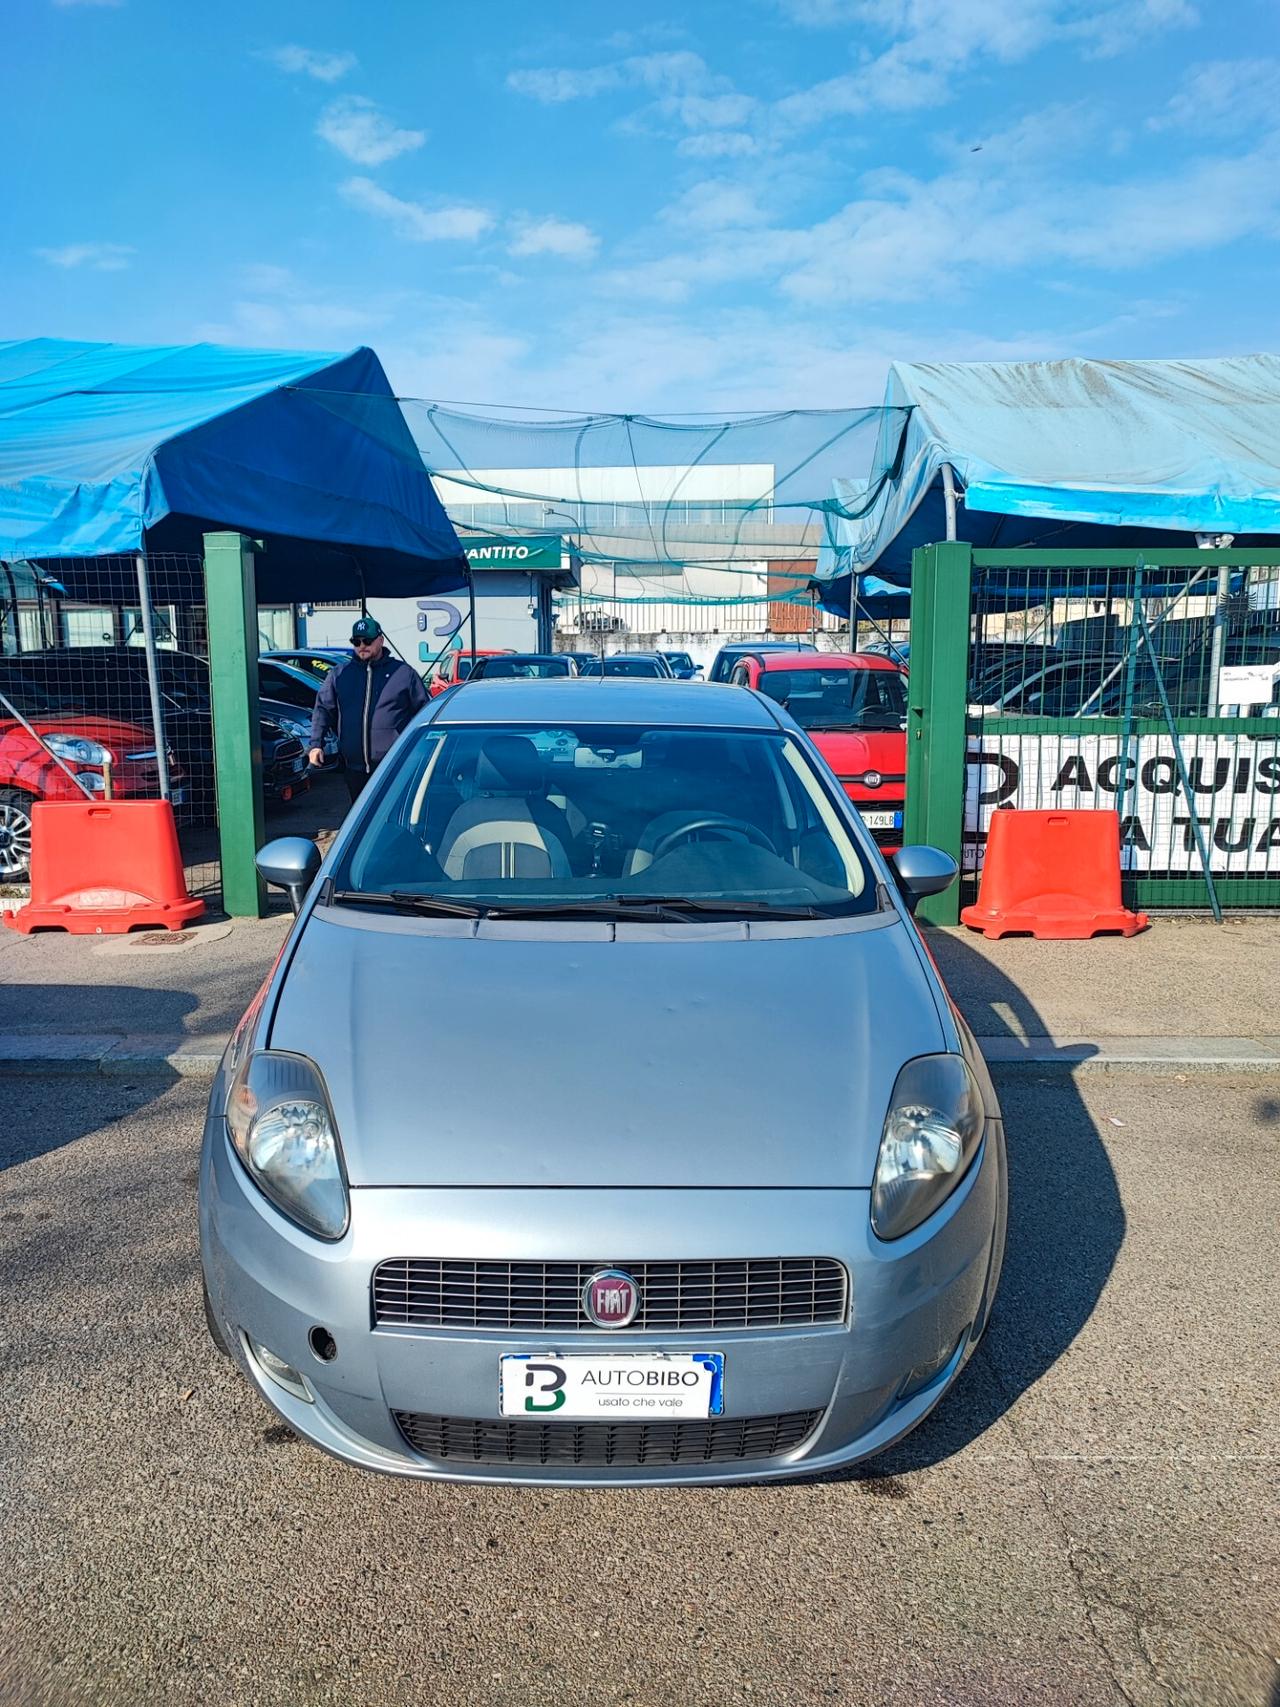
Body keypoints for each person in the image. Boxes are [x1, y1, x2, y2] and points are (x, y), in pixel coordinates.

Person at [308, 616, 428, 801]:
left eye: (367, 640)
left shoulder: (404, 674)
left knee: (392, 815)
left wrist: (422, 749)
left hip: (392, 765)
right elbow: (323, 709)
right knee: (361, 818)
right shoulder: (340, 674)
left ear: (380, 640)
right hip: (353, 768)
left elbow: (424, 712)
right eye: (356, 641)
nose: (362, 645)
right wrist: (316, 744)